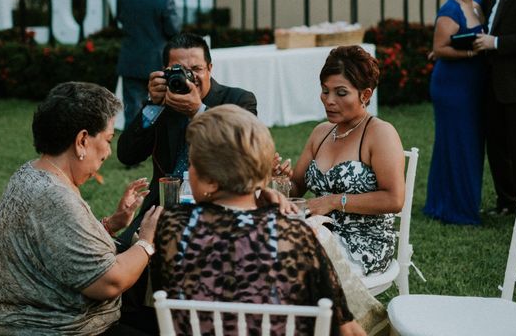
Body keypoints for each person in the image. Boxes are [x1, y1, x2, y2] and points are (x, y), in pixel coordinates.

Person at [152, 104, 366, 336]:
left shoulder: (171, 226)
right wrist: (268, 208)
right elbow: (346, 327)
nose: (189, 171)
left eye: (192, 165)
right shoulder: (294, 234)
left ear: (211, 182)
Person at [0, 82, 163, 335]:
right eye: (107, 139)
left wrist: (110, 225)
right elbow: (110, 282)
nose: (108, 152)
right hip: (59, 328)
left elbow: (56, 243)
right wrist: (146, 241)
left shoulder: (30, 171)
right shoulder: (54, 196)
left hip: (42, 317)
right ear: (82, 140)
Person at [117, 32, 257, 241]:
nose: (189, 77)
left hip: (220, 207)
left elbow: (244, 153)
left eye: (196, 69)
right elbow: (127, 155)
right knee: (125, 261)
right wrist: (153, 106)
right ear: (165, 72)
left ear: (210, 68)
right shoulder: (162, 104)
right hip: (163, 207)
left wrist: (199, 112)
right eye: (181, 70)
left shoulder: (239, 100)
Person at [288, 45, 405, 276]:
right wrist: (277, 179)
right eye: (325, 90)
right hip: (319, 231)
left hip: (365, 242)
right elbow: (296, 188)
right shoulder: (321, 133)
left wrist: (333, 201)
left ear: (366, 94)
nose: (329, 100)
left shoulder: (380, 133)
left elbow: (394, 199)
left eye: (341, 93)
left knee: (291, 265)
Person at [423, 0, 487, 225]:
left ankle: (462, 200)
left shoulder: (482, 3)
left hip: (474, 85)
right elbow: (439, 49)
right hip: (452, 86)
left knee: (472, 144)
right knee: (456, 143)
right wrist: (472, 54)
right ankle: (452, 207)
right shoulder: (449, 11)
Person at [474, 0, 516, 216]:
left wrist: (497, 43)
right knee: (497, 147)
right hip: (490, 86)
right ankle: (507, 202)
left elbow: (497, 40)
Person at [116, 0, 181, 128]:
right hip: (156, 61)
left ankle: (133, 146)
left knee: (132, 109)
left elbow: (121, 19)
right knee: (159, 106)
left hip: (130, 60)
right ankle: (155, 144)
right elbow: (173, 30)